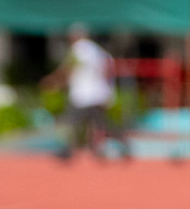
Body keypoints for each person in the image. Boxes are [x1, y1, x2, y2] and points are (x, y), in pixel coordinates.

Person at [43, 24, 129, 161]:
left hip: (84, 94)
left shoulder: (79, 49)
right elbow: (108, 68)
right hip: (97, 93)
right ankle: (123, 143)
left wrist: (53, 80)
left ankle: (65, 150)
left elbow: (68, 67)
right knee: (101, 122)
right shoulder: (96, 50)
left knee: (70, 121)